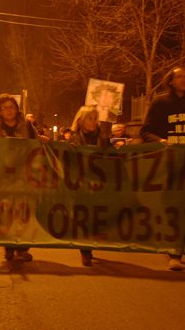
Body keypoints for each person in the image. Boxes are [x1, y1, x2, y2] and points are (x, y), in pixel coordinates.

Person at [139, 67, 185, 271]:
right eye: (179, 77)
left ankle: (176, 252)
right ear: (170, 81)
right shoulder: (160, 103)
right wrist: (160, 141)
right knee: (170, 206)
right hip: (168, 164)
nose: (184, 80)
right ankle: (171, 245)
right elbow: (145, 131)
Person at [0, 94, 37, 262]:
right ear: (0, 111)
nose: (9, 111)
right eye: (5, 108)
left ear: (17, 109)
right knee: (6, 211)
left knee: (23, 211)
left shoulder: (26, 126)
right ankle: (8, 246)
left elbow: (35, 144)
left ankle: (22, 248)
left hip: (23, 175)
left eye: (12, 107)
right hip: (3, 177)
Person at [69, 105, 110, 267]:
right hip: (81, 185)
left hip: (98, 185)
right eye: (89, 119)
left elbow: (111, 158)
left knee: (95, 218)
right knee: (83, 218)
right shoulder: (73, 139)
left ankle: (90, 246)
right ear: (81, 121)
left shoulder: (103, 138)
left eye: (95, 119)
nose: (93, 122)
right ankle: (85, 251)